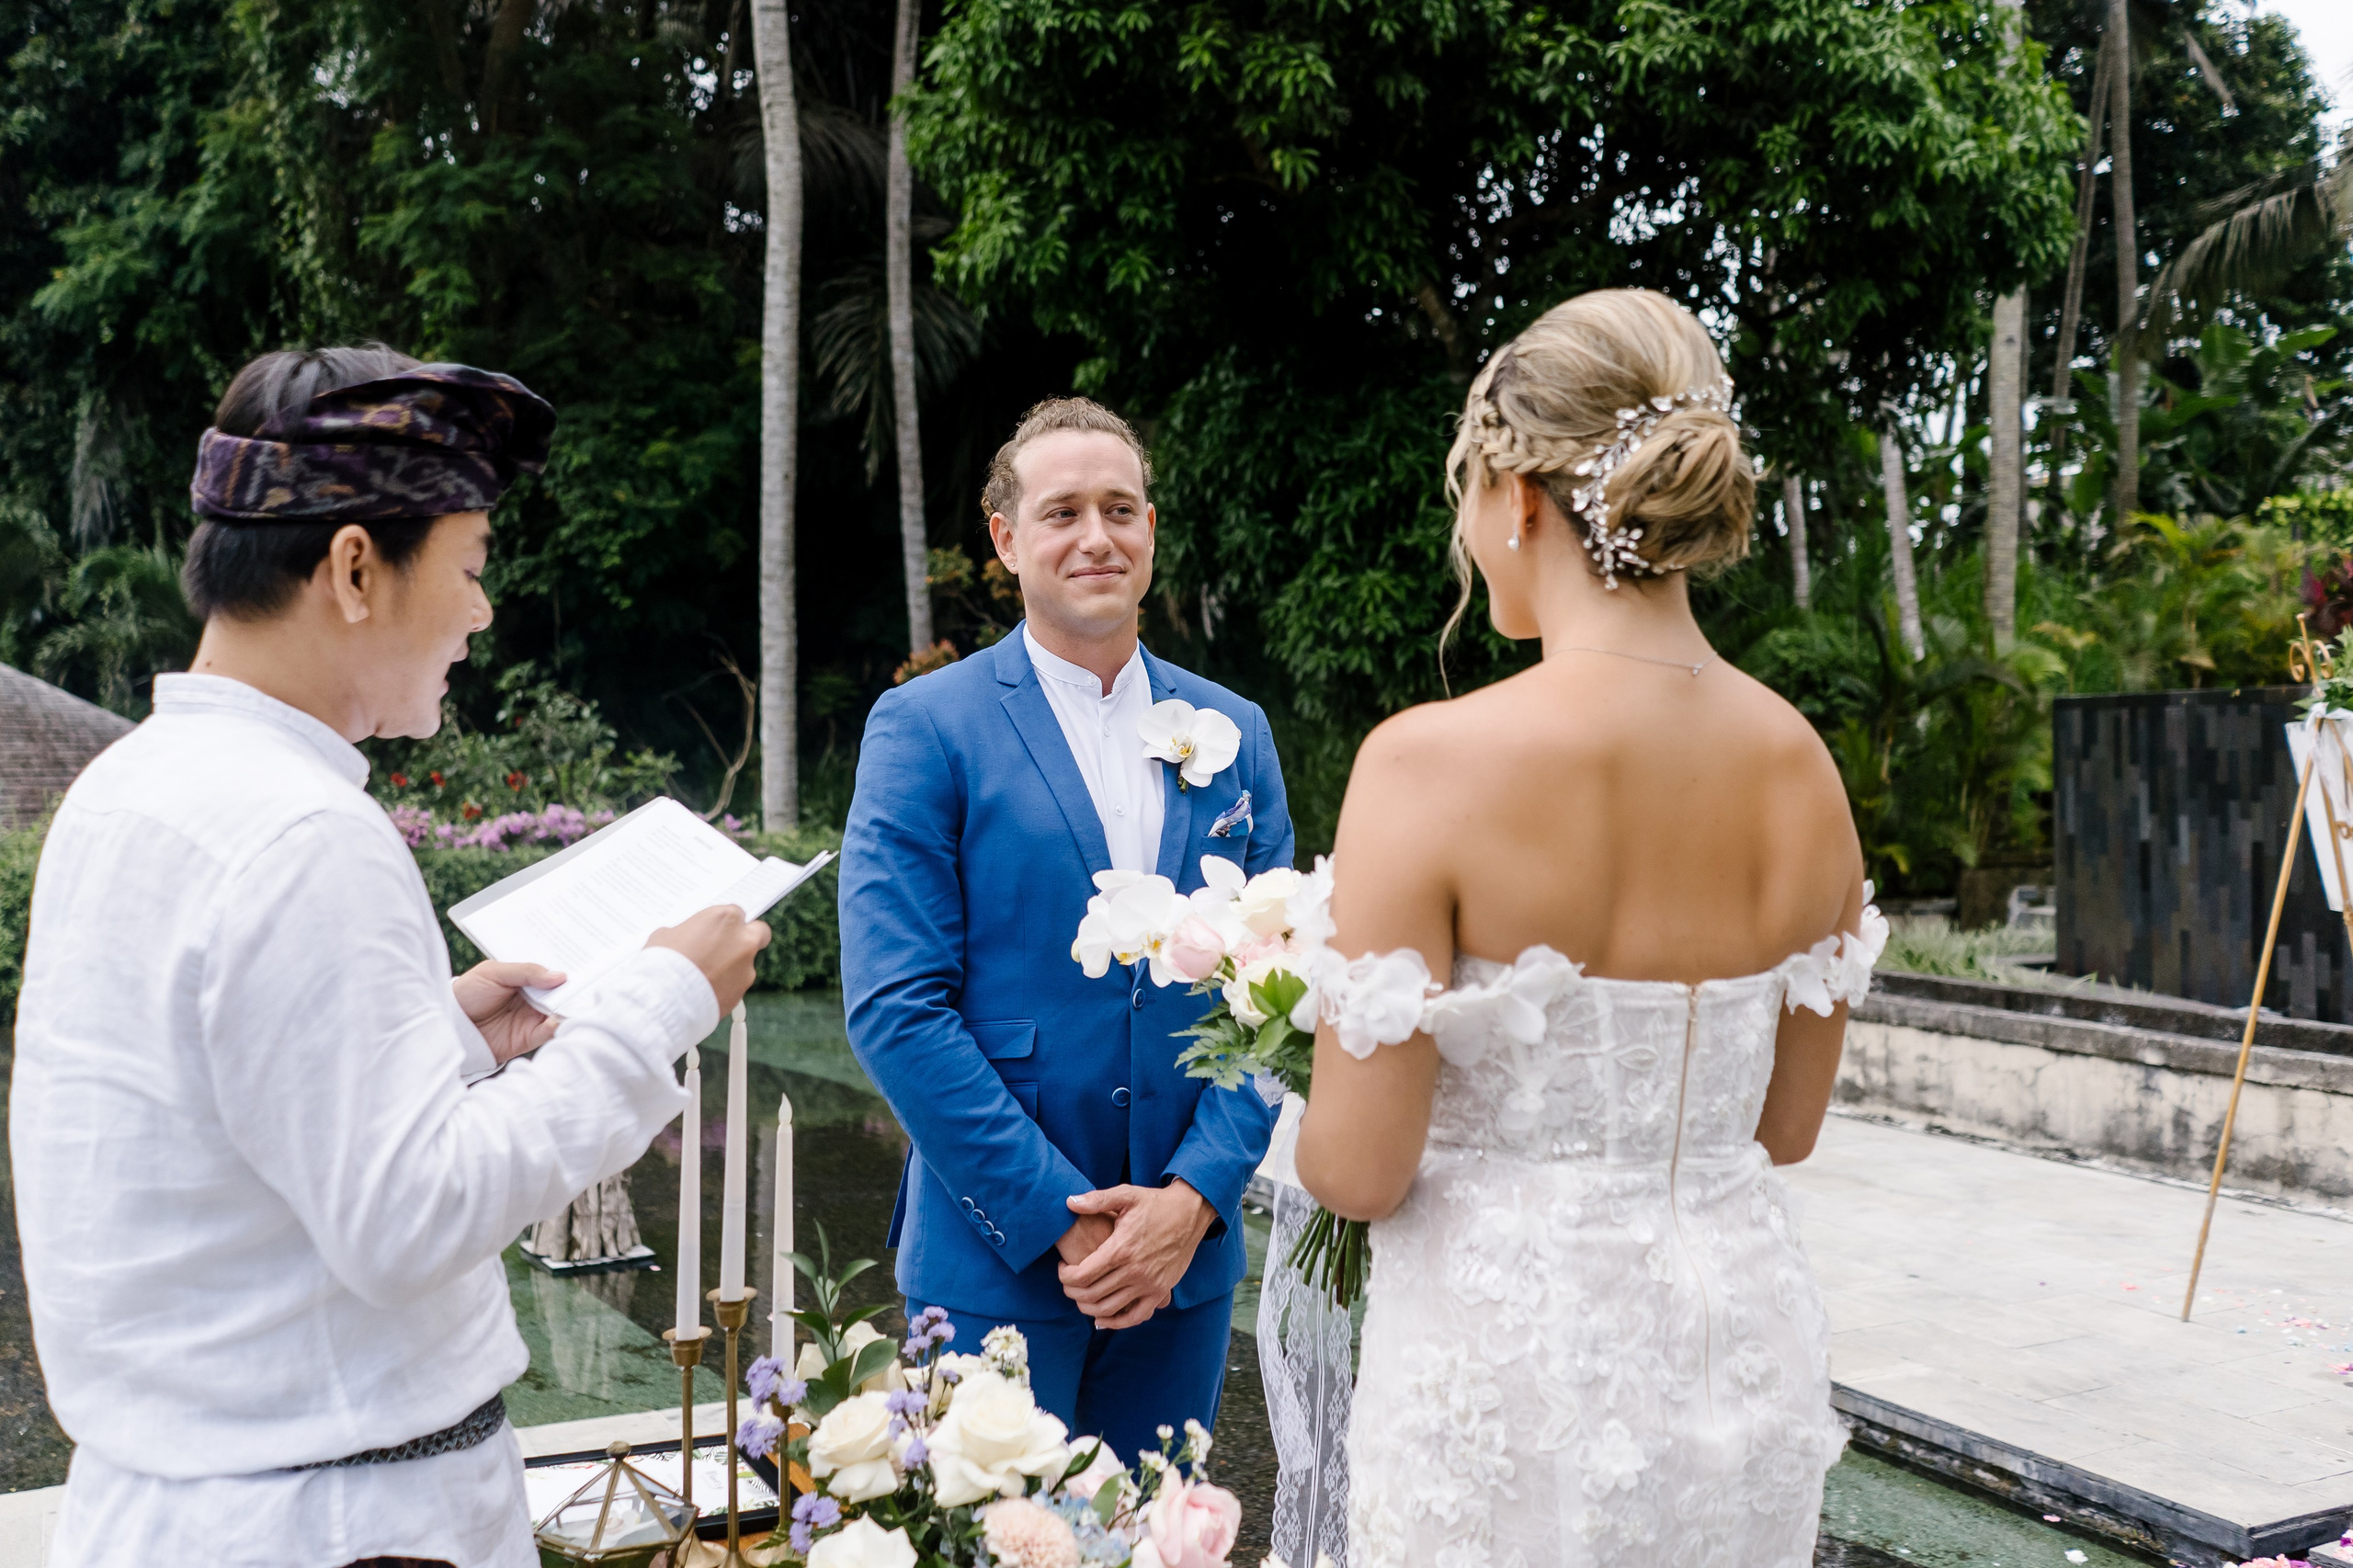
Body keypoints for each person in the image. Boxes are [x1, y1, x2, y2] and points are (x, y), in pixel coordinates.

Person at [9, 346, 769, 1568]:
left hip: (180, 1504)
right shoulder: (304, 831)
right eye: (468, 568)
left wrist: (440, 1040)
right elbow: (407, 1216)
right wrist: (656, 1005)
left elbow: (214, 1113)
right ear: (355, 567)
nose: (479, 609)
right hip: (337, 1522)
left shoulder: (130, 789)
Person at [1290, 290, 1884, 1567]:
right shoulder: (1802, 766)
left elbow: (1358, 1171)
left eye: (1466, 488)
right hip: (1740, 1370)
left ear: (1516, 493)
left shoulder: (1427, 765)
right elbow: (1783, 1128)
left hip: (1509, 1394)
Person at [839, 397, 1291, 1467]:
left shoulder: (1237, 733)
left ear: (1150, 528)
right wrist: (1061, 1216)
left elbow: (1282, 990)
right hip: (995, 1259)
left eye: (1121, 507)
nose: (1097, 535)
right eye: (1063, 511)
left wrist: (1195, 1196)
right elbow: (897, 1008)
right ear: (1006, 538)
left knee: (1163, 1535)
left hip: (1183, 1261)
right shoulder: (924, 726)